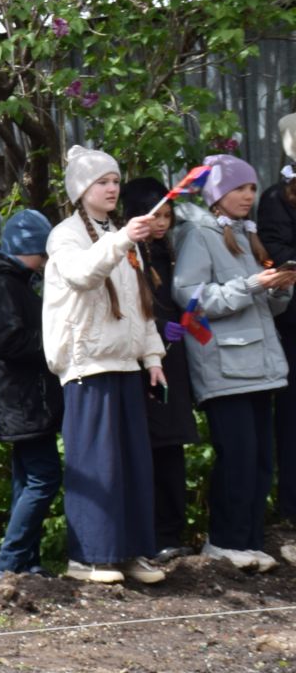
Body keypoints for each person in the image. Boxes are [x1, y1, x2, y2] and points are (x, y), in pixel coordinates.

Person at [44, 146, 167, 586]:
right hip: (86, 363)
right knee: (97, 465)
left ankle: (130, 552)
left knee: (133, 464)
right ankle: (91, 557)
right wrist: (123, 240)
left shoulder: (118, 233)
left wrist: (152, 357)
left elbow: (139, 305)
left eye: (115, 180)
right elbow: (81, 275)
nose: (113, 188)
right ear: (81, 190)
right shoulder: (65, 236)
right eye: (102, 182)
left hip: (125, 363)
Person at [171, 154, 293, 571]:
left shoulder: (245, 234)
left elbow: (261, 308)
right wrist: (251, 284)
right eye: (240, 188)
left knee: (260, 461)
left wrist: (277, 289)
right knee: (237, 457)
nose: (248, 196)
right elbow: (190, 300)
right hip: (224, 368)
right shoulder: (198, 234)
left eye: (252, 188)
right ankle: (223, 542)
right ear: (217, 195)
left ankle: (249, 541)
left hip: (259, 366)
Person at [0, 211, 64, 578]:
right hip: (22, 398)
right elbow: (6, 340)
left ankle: (25, 560)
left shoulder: (13, 282)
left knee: (27, 478)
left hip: (22, 397)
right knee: (45, 477)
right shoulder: (3, 286)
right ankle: (10, 561)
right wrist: (55, 342)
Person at [120, 178, 200, 561]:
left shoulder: (168, 251)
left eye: (168, 215)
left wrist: (184, 323)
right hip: (143, 365)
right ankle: (151, 533)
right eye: (155, 216)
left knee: (172, 449)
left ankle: (171, 530)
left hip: (174, 361)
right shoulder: (129, 253)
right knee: (149, 449)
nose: (162, 223)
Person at [256, 112, 296, 533]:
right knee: (291, 420)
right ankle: (291, 509)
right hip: (291, 326)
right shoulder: (275, 200)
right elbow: (279, 258)